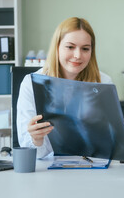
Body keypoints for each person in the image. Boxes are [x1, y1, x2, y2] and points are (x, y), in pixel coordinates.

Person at [17, 17, 112, 158]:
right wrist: (36, 139)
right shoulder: (31, 83)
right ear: (57, 47)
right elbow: (29, 151)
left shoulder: (103, 82)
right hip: (47, 168)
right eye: (70, 47)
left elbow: (110, 141)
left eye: (85, 49)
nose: (77, 55)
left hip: (92, 165)